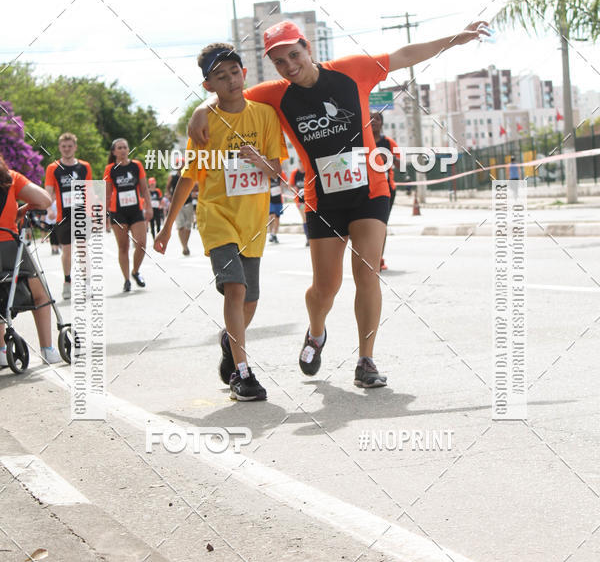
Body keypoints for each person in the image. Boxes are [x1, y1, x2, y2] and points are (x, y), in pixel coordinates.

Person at [189, 19, 489, 388]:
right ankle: (317, 332)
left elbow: (406, 54)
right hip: (322, 200)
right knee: (325, 288)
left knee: (367, 272)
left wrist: (458, 38)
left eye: (294, 55)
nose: (289, 66)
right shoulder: (274, 94)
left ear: (307, 47)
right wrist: (200, 109)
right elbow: (230, 93)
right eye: (280, 62)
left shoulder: (352, 71)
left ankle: (366, 360)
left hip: (369, 190)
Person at [155, 42, 287, 401]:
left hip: (254, 220)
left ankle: (231, 344)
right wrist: (167, 226)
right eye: (219, 76)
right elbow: (189, 175)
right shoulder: (205, 123)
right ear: (208, 85)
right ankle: (243, 374)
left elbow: (277, 169)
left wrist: (260, 159)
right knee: (235, 287)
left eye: (234, 72)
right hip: (216, 216)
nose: (230, 80)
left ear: (244, 73)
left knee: (250, 299)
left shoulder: (264, 115)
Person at [0, 154, 60, 365]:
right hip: (8, 246)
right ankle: (48, 349)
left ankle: (1, 350)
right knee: (40, 294)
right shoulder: (10, 178)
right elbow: (44, 200)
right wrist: (22, 209)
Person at [45, 133, 92, 299]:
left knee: (82, 248)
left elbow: (89, 190)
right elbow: (48, 192)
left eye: (70, 146)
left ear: (75, 147)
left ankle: (87, 283)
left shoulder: (84, 166)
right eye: (64, 146)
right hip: (63, 215)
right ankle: (67, 281)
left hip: (81, 214)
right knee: (67, 250)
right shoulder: (53, 168)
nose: (67, 149)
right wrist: (48, 208)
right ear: (60, 148)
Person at [104, 139, 152, 292]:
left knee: (142, 244)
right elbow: (107, 193)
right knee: (123, 247)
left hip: (136, 210)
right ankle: (126, 280)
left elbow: (144, 189)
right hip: (118, 212)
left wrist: (149, 207)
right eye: (120, 148)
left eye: (125, 147)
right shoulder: (110, 169)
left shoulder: (136, 165)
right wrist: (105, 215)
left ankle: (135, 271)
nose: (123, 150)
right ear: (114, 152)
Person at [370, 111, 398, 272]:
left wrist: (389, 157)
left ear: (381, 123)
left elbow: (401, 166)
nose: (373, 121)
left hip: (386, 190)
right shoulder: (361, 140)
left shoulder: (388, 142)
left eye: (377, 118)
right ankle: (370, 257)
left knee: (381, 225)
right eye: (370, 119)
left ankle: (378, 259)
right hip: (365, 189)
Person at [167, 163, 194, 255]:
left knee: (188, 226)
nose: (181, 166)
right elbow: (167, 188)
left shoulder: (189, 175)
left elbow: (195, 185)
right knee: (180, 226)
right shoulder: (172, 177)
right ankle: (184, 247)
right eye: (179, 164)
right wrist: (168, 195)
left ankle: (185, 244)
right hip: (177, 204)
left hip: (188, 202)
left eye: (182, 164)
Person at [288, 163, 309, 245]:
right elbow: (289, 186)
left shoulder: (308, 171)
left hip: (310, 199)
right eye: (300, 163)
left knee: (310, 218)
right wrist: (294, 189)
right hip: (300, 200)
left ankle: (313, 236)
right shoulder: (295, 173)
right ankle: (308, 238)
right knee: (305, 218)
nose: (302, 165)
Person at [268, 169, 286, 243]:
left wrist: (283, 186)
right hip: (269, 199)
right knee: (271, 216)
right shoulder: (267, 172)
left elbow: (285, 182)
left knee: (277, 218)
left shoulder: (280, 172)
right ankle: (271, 234)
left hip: (278, 198)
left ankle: (274, 234)